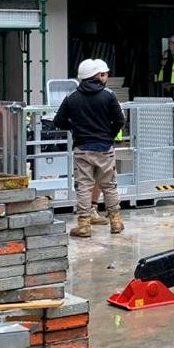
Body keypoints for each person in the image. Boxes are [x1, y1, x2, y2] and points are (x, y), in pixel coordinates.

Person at [54, 58, 126, 238]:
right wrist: (109, 135)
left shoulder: (72, 97)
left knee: (84, 187)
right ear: (96, 75)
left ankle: (84, 225)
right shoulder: (108, 95)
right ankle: (115, 221)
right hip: (104, 148)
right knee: (109, 185)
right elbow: (119, 120)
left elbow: (58, 121)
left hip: (82, 148)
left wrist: (74, 127)